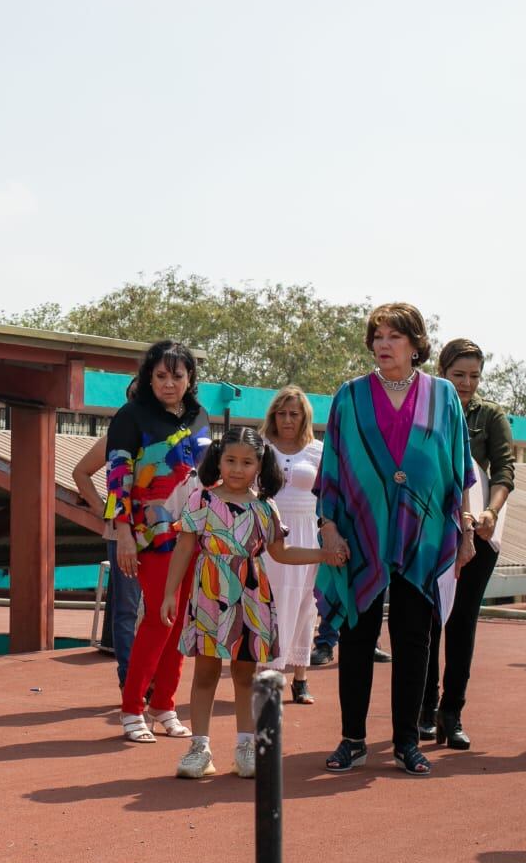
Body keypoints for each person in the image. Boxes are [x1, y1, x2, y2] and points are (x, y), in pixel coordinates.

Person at [316, 303, 475, 777]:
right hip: (359, 531)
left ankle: (407, 741)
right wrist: (328, 526)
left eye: (394, 337)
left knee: (414, 638)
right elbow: (332, 466)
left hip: (424, 532)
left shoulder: (444, 396)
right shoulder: (349, 396)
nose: (383, 345)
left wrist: (466, 530)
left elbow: (458, 468)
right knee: (357, 634)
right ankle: (353, 739)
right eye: (378, 336)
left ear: (416, 344)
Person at [160, 428, 343, 778]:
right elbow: (184, 547)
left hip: (250, 595)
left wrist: (323, 554)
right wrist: (170, 593)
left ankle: (246, 748)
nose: (237, 469)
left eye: (247, 462)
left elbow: (281, 552)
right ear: (218, 460)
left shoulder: (265, 507)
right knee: (205, 673)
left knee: (245, 675)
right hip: (209, 593)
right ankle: (199, 749)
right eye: (230, 460)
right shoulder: (201, 499)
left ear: (260, 465)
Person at [106, 340, 213, 743]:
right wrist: (123, 533)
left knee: (182, 621)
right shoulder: (131, 415)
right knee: (158, 618)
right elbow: (117, 477)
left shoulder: (200, 416)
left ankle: (164, 704)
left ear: (190, 378)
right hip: (151, 535)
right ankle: (132, 707)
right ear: (148, 378)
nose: (169, 383)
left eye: (177, 375)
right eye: (161, 376)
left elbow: (209, 475)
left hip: (196, 533)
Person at [421, 339, 516, 749]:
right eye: (458, 374)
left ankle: (452, 712)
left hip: (477, 532)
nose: (466, 383)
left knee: (462, 622)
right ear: (441, 372)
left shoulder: (490, 415)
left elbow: (505, 469)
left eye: (474, 376)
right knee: (426, 621)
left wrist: (490, 512)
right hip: (428, 532)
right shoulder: (422, 410)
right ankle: (424, 708)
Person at [257, 387, 326, 703]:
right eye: (281, 413)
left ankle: (301, 679)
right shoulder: (261, 448)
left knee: (305, 604)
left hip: (307, 533)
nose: (287, 420)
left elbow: (330, 494)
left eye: (294, 414)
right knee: (269, 604)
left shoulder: (319, 451)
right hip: (268, 533)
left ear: (304, 417)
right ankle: (268, 676)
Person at [73, 436, 140, 686]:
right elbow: (80, 472)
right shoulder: (117, 434)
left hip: (159, 533)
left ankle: (150, 677)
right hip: (120, 533)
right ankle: (129, 678)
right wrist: (103, 510)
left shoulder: (166, 431)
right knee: (127, 607)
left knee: (155, 609)